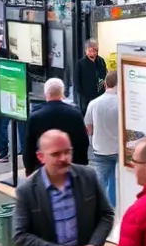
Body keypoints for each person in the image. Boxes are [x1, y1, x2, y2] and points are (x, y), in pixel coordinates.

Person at [13, 130, 114, 246]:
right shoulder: (26, 191)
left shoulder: (88, 177)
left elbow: (106, 215)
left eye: (67, 152)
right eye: (55, 154)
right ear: (41, 157)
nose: (63, 158)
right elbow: (20, 235)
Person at [24, 79, 91, 176]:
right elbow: (83, 142)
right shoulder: (75, 114)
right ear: (62, 92)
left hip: (44, 171)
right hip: (71, 169)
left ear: (45, 93)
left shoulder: (35, 116)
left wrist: (29, 171)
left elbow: (29, 147)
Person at [84, 71, 120, 208]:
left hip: (100, 149)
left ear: (105, 83)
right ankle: (113, 207)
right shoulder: (122, 103)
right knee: (114, 180)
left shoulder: (94, 103)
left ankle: (97, 208)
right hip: (118, 149)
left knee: (100, 181)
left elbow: (89, 126)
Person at [74, 40, 108, 116]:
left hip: (99, 94)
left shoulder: (101, 61)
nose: (92, 53)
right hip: (86, 96)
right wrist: (81, 96)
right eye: (89, 51)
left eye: (94, 51)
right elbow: (77, 82)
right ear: (85, 51)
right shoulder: (80, 64)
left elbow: (104, 74)